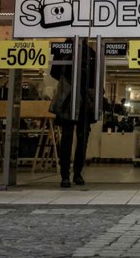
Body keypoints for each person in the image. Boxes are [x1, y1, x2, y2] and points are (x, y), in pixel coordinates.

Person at [49, 41, 98, 188]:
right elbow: (95, 75)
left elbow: (54, 72)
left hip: (69, 97)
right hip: (78, 98)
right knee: (79, 137)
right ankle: (75, 173)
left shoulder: (64, 49)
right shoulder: (89, 51)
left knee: (69, 137)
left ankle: (67, 175)